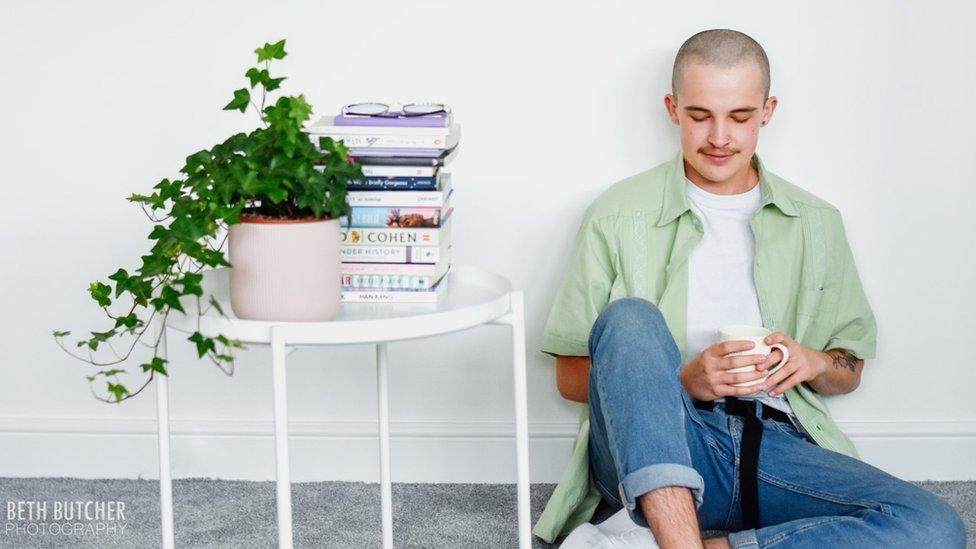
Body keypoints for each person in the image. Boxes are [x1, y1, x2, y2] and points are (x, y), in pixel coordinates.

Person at [531, 29, 966, 548]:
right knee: (630, 318)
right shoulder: (616, 215)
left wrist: (815, 361)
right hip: (662, 445)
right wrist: (681, 382)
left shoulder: (816, 222)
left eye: (739, 117)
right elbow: (569, 376)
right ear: (672, 109)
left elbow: (849, 369)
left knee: (933, 526)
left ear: (767, 111)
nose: (719, 137)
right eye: (699, 116)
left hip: (778, 443)